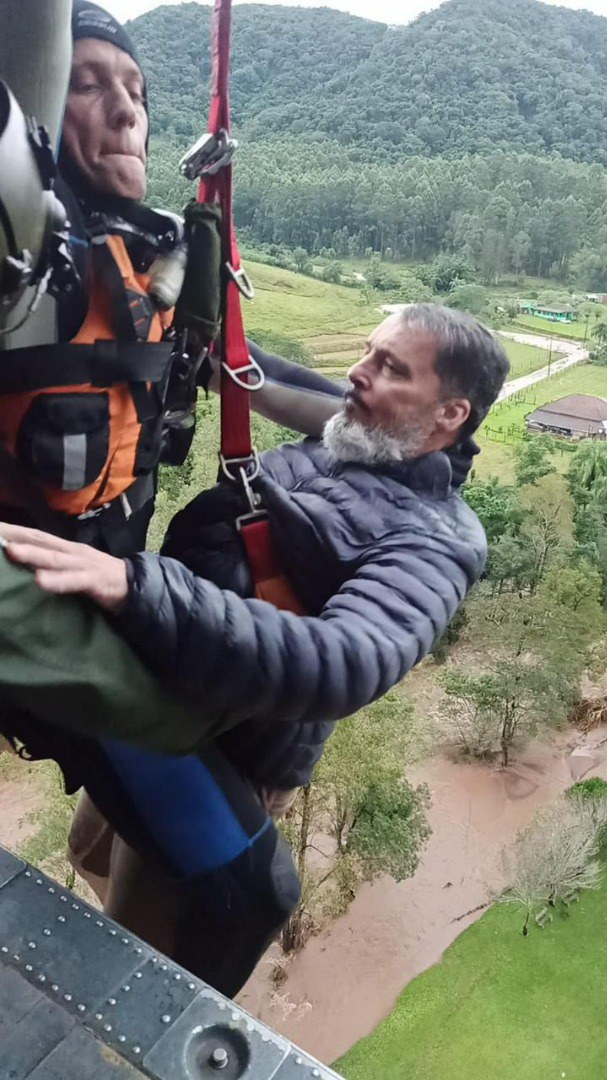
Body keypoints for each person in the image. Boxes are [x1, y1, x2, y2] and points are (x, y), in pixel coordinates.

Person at [1, 302, 510, 986]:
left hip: (233, 752)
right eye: (367, 350)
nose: (358, 373)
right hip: (156, 688)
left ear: (450, 413)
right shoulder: (364, 429)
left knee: (142, 942)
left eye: (391, 367)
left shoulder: (436, 540)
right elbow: (249, 373)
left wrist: (137, 588)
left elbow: (344, 661)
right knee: (90, 849)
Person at [0, 1, 343, 995]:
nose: (124, 113)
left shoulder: (148, 270)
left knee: (184, 835)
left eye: (136, 92)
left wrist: (421, 445)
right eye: (86, 86)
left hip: (96, 598)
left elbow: (262, 380)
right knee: (247, 887)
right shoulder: (24, 256)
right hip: (33, 607)